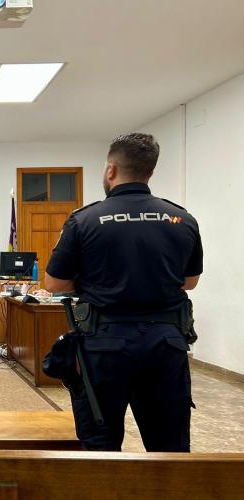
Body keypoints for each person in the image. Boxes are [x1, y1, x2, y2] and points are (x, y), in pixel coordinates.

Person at [45, 133, 203, 452]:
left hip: (104, 344)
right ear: (150, 172)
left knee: (99, 445)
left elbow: (55, 284)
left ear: (111, 170)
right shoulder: (182, 219)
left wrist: (94, 283)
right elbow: (190, 281)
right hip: (166, 344)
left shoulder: (84, 220)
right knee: (170, 446)